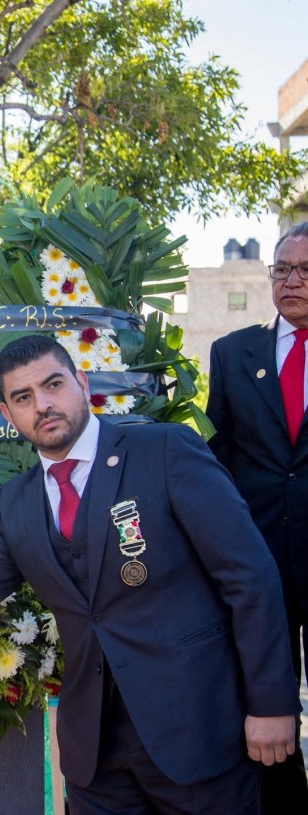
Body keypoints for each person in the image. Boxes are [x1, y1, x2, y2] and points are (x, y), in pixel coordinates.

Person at [0, 334, 300, 814]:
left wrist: (273, 703)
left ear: (82, 383)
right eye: (23, 397)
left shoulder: (164, 451)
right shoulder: (18, 502)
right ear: (8, 414)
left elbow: (249, 577)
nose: (42, 404)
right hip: (96, 753)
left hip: (197, 730)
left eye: (53, 384)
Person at [206, 220, 308, 813]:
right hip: (260, 564)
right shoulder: (232, 353)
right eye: (282, 269)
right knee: (268, 705)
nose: (290, 281)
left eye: (305, 270)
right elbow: (219, 459)